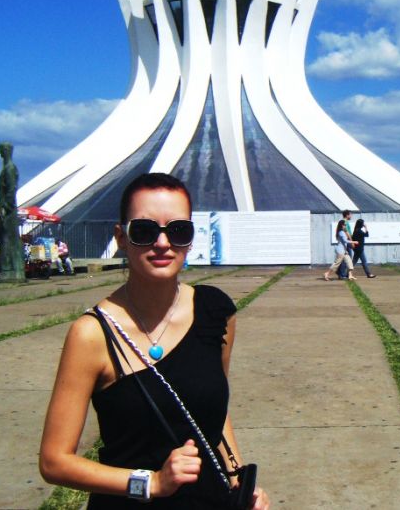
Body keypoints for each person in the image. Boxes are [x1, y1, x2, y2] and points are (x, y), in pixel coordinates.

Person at [40, 173, 269, 509]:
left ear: (191, 238)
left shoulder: (214, 312)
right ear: (121, 236)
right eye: (144, 231)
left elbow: (212, 413)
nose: (162, 243)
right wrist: (151, 483)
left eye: (178, 230)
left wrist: (239, 484)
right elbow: (54, 462)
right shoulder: (93, 334)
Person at [337, 210, 353, 279]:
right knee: (346, 258)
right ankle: (342, 274)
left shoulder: (345, 222)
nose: (351, 216)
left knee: (346, 258)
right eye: (350, 214)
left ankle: (341, 273)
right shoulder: (345, 222)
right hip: (347, 241)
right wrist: (351, 241)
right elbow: (346, 232)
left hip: (347, 241)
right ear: (347, 215)